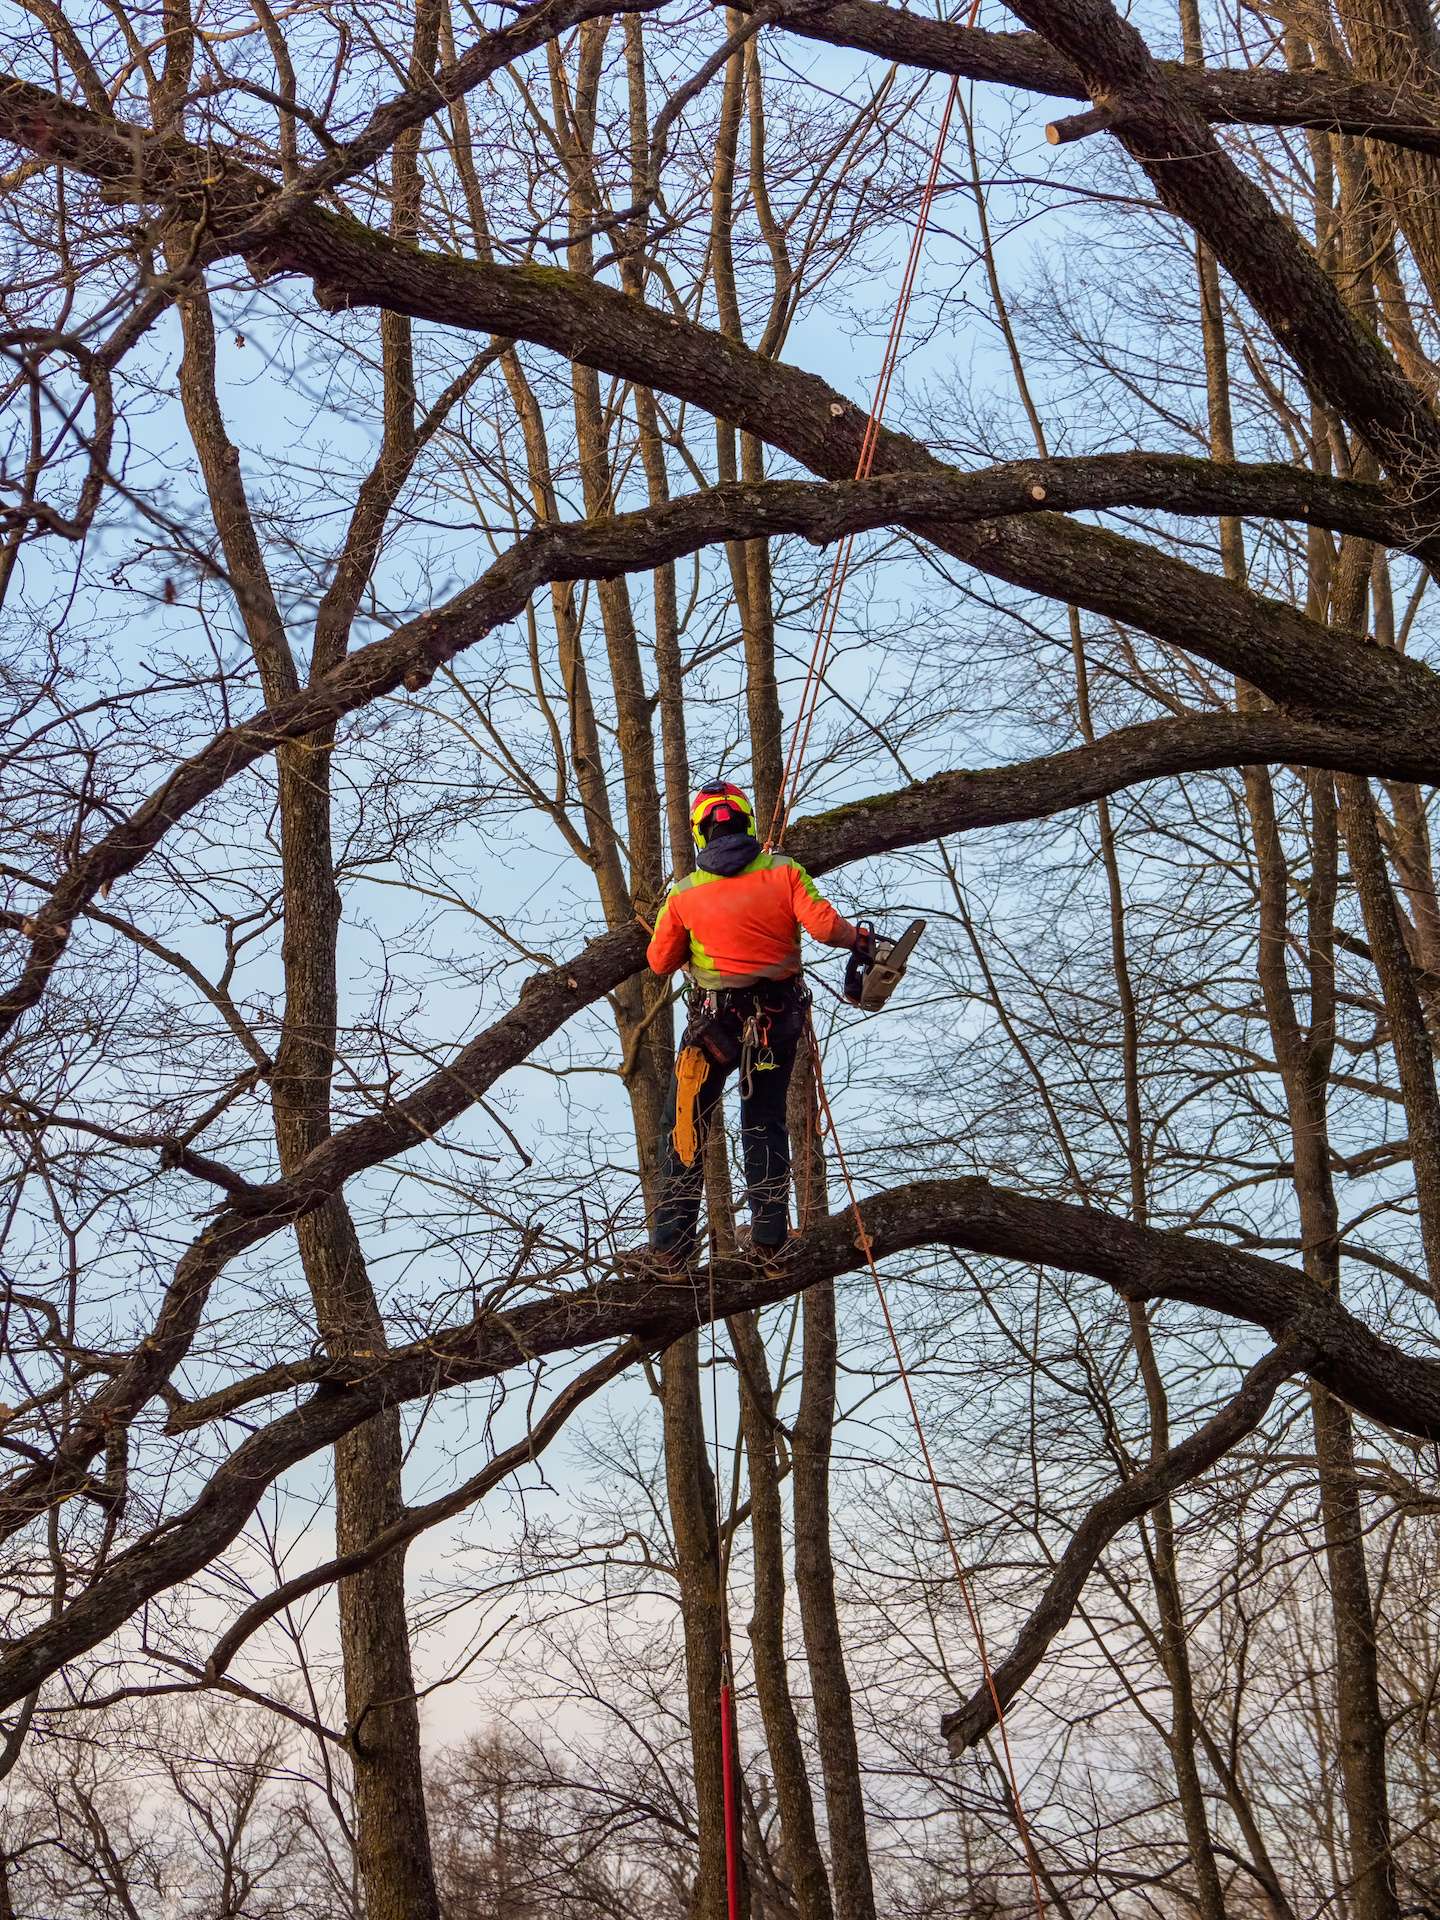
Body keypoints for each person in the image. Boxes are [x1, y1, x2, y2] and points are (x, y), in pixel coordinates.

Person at [644, 780, 868, 1270]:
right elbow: (828, 930)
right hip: (777, 1018)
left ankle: (670, 1250)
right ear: (746, 822)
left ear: (700, 833)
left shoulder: (684, 894)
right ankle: (769, 1239)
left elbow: (660, 963)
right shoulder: (783, 870)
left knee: (684, 1124)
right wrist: (861, 938)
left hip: (713, 1025)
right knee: (764, 1120)